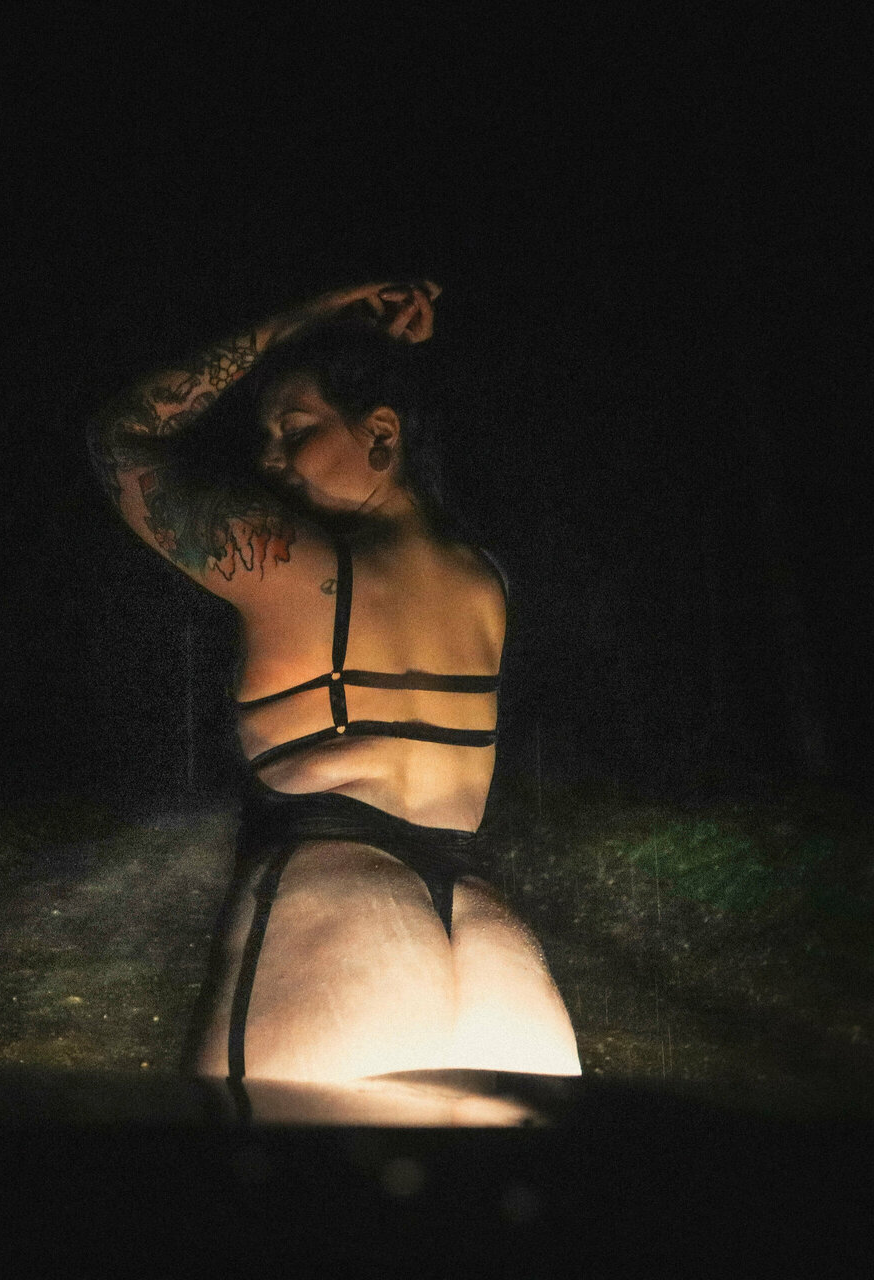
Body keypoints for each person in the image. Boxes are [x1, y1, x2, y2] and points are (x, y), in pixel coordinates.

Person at [87, 281, 579, 1115]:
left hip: (342, 912)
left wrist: (302, 316)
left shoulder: (294, 565)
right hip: (493, 944)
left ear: (381, 433)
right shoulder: (486, 580)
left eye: (296, 430)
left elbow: (122, 436)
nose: (270, 460)